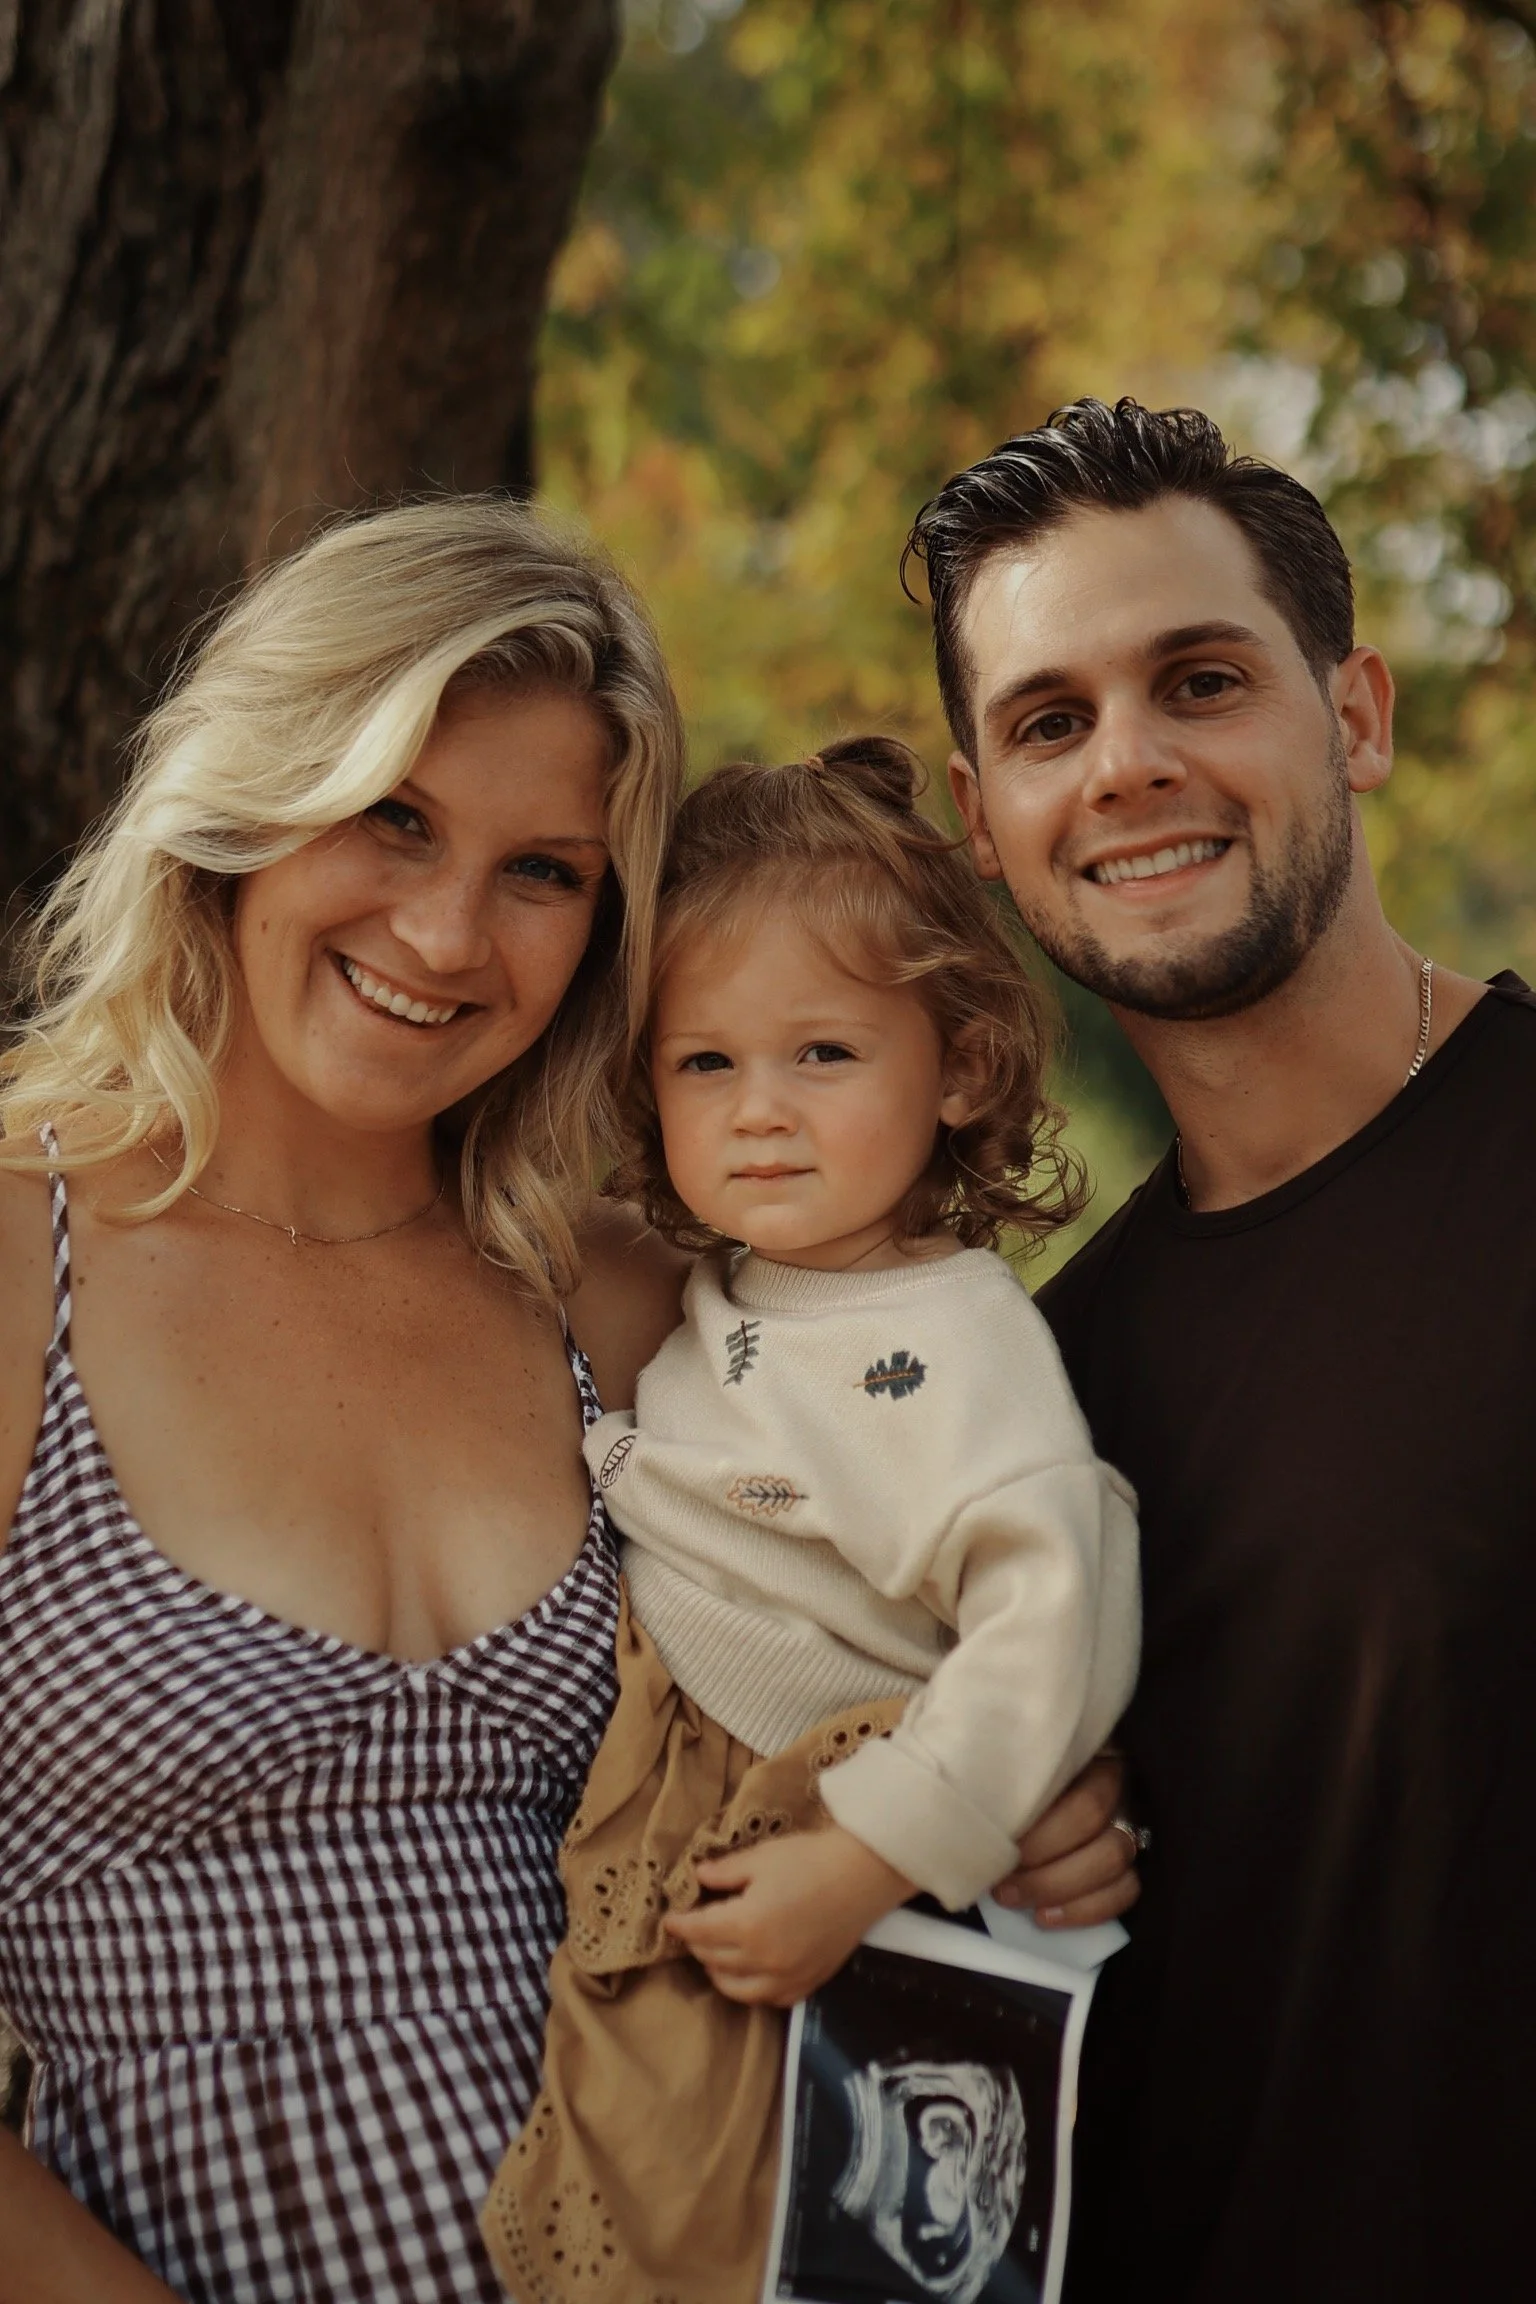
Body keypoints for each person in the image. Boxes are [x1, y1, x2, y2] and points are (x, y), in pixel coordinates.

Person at [0, 500, 1137, 2303]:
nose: (448, 933)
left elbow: (904, 1609)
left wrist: (1002, 1797)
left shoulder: (618, 1304)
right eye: (393, 817)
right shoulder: (21, 1267)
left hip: (681, 2228)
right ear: (244, 801)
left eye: (544, 872)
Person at [907, 395, 1536, 2300]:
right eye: (1049, 723)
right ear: (985, 828)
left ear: (1353, 718)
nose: (1127, 766)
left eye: (1199, 681)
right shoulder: (1029, 1393)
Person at [480, 740, 1140, 2304]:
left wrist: (867, 1855)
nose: (759, 1114)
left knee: (751, 2215)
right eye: (705, 1065)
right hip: (677, 1793)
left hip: (811, 1817)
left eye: (823, 1057)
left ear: (960, 1070)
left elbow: (1058, 1605)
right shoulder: (726, 1291)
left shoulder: (953, 1334)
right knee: (625, 2166)